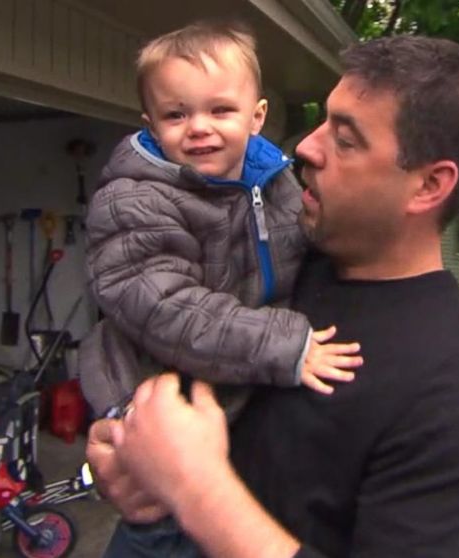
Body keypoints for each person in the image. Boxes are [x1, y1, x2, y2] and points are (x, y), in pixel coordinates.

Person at [88, 34, 459, 557]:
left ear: (428, 186)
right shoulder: (283, 260)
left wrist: (199, 492)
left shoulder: (452, 390)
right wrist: (123, 448)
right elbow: (163, 318)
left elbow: (195, 474)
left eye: (346, 138)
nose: (307, 147)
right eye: (322, 121)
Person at [76, 21, 363, 557]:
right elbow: (166, 309)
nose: (198, 128)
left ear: (256, 116)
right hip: (157, 408)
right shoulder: (135, 201)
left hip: (230, 413)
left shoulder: (275, 185)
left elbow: (306, 252)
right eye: (176, 114)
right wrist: (285, 345)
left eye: (220, 111)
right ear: (151, 124)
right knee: (162, 532)